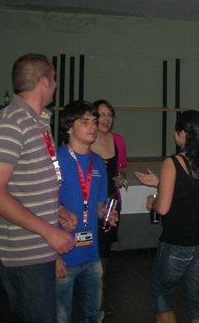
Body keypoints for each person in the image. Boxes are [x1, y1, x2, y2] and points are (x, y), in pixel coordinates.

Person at [0, 53, 77, 323]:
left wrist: (56, 210)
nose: (56, 85)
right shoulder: (10, 122)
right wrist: (48, 230)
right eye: (54, 78)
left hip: (37, 249)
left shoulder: (37, 122)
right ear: (44, 81)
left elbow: (25, 184)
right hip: (21, 254)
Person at [134, 110, 199, 323]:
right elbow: (192, 191)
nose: (175, 135)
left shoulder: (172, 162)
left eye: (176, 131)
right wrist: (159, 183)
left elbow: (163, 208)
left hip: (180, 240)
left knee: (161, 292)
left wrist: (152, 203)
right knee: (198, 297)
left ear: (183, 134)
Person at [55, 100, 118, 323]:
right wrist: (53, 256)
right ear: (69, 128)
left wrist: (105, 213)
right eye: (85, 121)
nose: (93, 126)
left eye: (94, 121)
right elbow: (40, 209)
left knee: (92, 316)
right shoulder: (55, 161)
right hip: (62, 254)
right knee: (60, 317)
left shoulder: (98, 163)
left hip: (91, 254)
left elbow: (98, 204)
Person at [91, 99, 128, 319]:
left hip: (112, 203)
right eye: (102, 114)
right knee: (88, 252)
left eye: (110, 115)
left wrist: (121, 178)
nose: (106, 119)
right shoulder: (86, 139)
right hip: (88, 205)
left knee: (104, 254)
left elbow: (121, 168)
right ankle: (89, 299)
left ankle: (100, 301)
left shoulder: (118, 140)